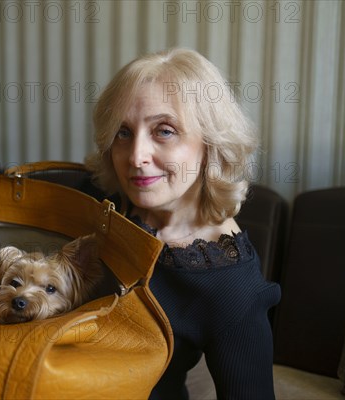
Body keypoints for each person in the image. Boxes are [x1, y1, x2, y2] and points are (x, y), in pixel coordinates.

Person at [86, 48, 281, 399]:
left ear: (210, 143)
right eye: (123, 132)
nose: (136, 157)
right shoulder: (103, 205)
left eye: (164, 131)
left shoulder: (230, 284)